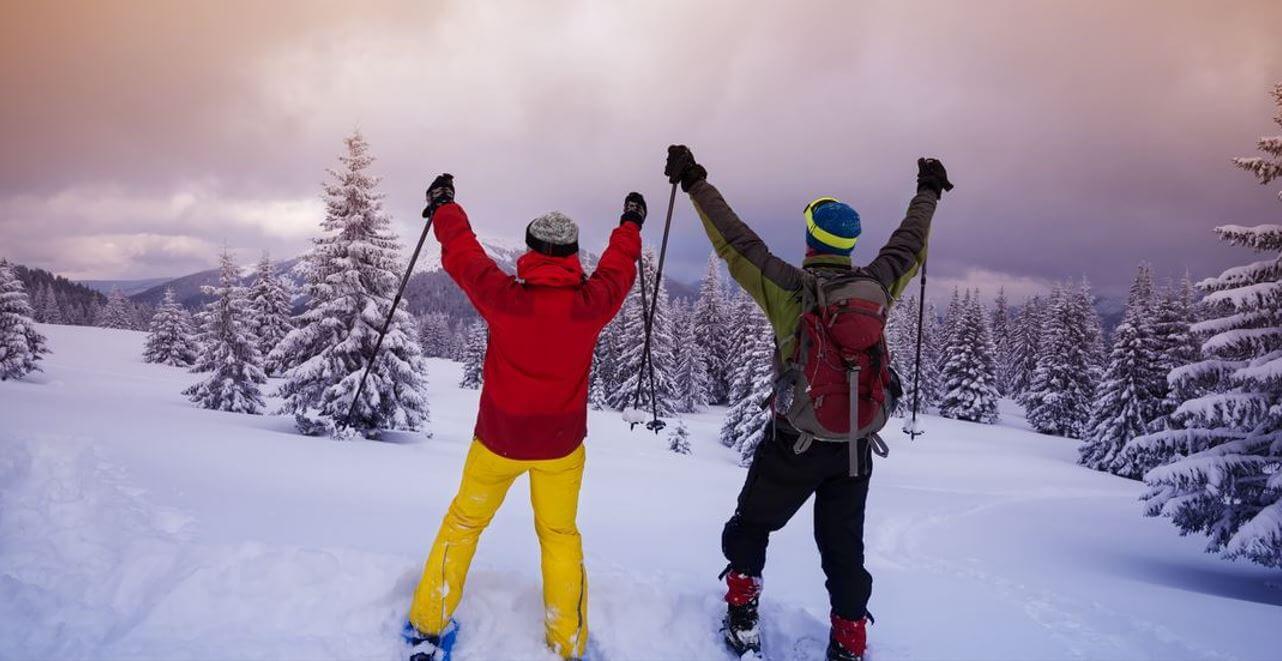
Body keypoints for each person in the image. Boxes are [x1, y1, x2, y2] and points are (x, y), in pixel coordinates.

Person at [663, 146, 952, 661]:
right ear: (851, 242)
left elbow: (735, 242)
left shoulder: (789, 288)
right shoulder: (880, 283)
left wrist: (694, 181)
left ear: (810, 237)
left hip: (793, 443)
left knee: (751, 526)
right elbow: (910, 244)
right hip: (855, 448)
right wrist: (928, 191)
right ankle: (849, 643)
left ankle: (744, 615)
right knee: (844, 553)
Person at [403, 174, 645, 661]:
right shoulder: (588, 306)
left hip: (496, 443)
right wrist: (631, 222)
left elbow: (464, 255)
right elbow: (620, 267)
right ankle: (566, 642)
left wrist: (444, 206)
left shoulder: (505, 298)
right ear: (574, 254)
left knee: (463, 524)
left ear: (530, 250)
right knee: (560, 538)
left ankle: (429, 623)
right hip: (560, 449)